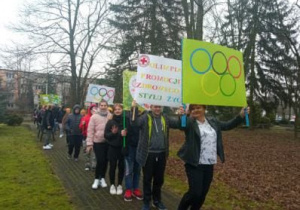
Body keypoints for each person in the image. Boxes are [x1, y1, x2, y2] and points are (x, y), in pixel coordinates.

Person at [177, 105, 250, 210]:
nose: (195, 110)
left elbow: (227, 125)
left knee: (202, 195)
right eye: (192, 109)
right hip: (194, 164)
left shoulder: (213, 121)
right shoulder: (189, 122)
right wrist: (181, 117)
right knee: (195, 193)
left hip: (209, 163)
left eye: (198, 108)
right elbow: (181, 126)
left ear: (204, 109)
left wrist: (241, 115)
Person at [132, 101, 182, 210]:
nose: (157, 109)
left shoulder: (166, 118)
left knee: (159, 180)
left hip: (162, 154)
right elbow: (135, 124)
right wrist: (134, 108)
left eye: (159, 106)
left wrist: (181, 115)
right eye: (155, 106)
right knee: (147, 179)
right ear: (151, 107)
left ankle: (157, 200)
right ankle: (146, 201)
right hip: (148, 154)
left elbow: (180, 125)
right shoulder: (145, 117)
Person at [86, 100, 112, 189]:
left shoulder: (110, 116)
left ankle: (103, 178)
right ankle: (97, 178)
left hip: (108, 142)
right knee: (100, 160)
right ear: (99, 106)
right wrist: (89, 143)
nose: (103, 107)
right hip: (98, 142)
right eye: (102, 105)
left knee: (105, 161)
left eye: (105, 105)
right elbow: (90, 130)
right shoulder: (94, 117)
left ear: (107, 106)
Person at [104, 104, 128, 195]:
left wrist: (126, 134)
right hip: (112, 148)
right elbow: (106, 135)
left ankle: (119, 185)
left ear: (122, 110)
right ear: (113, 111)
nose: (117, 111)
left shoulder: (125, 121)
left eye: (119, 109)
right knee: (113, 167)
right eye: (116, 109)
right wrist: (113, 133)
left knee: (122, 167)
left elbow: (129, 134)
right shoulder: (110, 122)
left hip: (122, 147)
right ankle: (112, 184)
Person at [123, 108, 143, 201]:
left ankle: (135, 188)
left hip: (139, 147)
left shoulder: (144, 118)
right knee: (129, 170)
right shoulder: (126, 117)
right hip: (129, 147)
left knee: (137, 169)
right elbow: (119, 125)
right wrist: (121, 132)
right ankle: (128, 189)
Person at [79, 104, 97, 171]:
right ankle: (87, 164)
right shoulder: (85, 117)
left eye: (95, 109)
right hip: (86, 137)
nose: (94, 110)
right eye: (92, 109)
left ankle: (94, 165)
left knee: (95, 152)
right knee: (86, 151)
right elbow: (80, 127)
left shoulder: (98, 117)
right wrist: (82, 124)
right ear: (90, 110)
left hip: (95, 137)